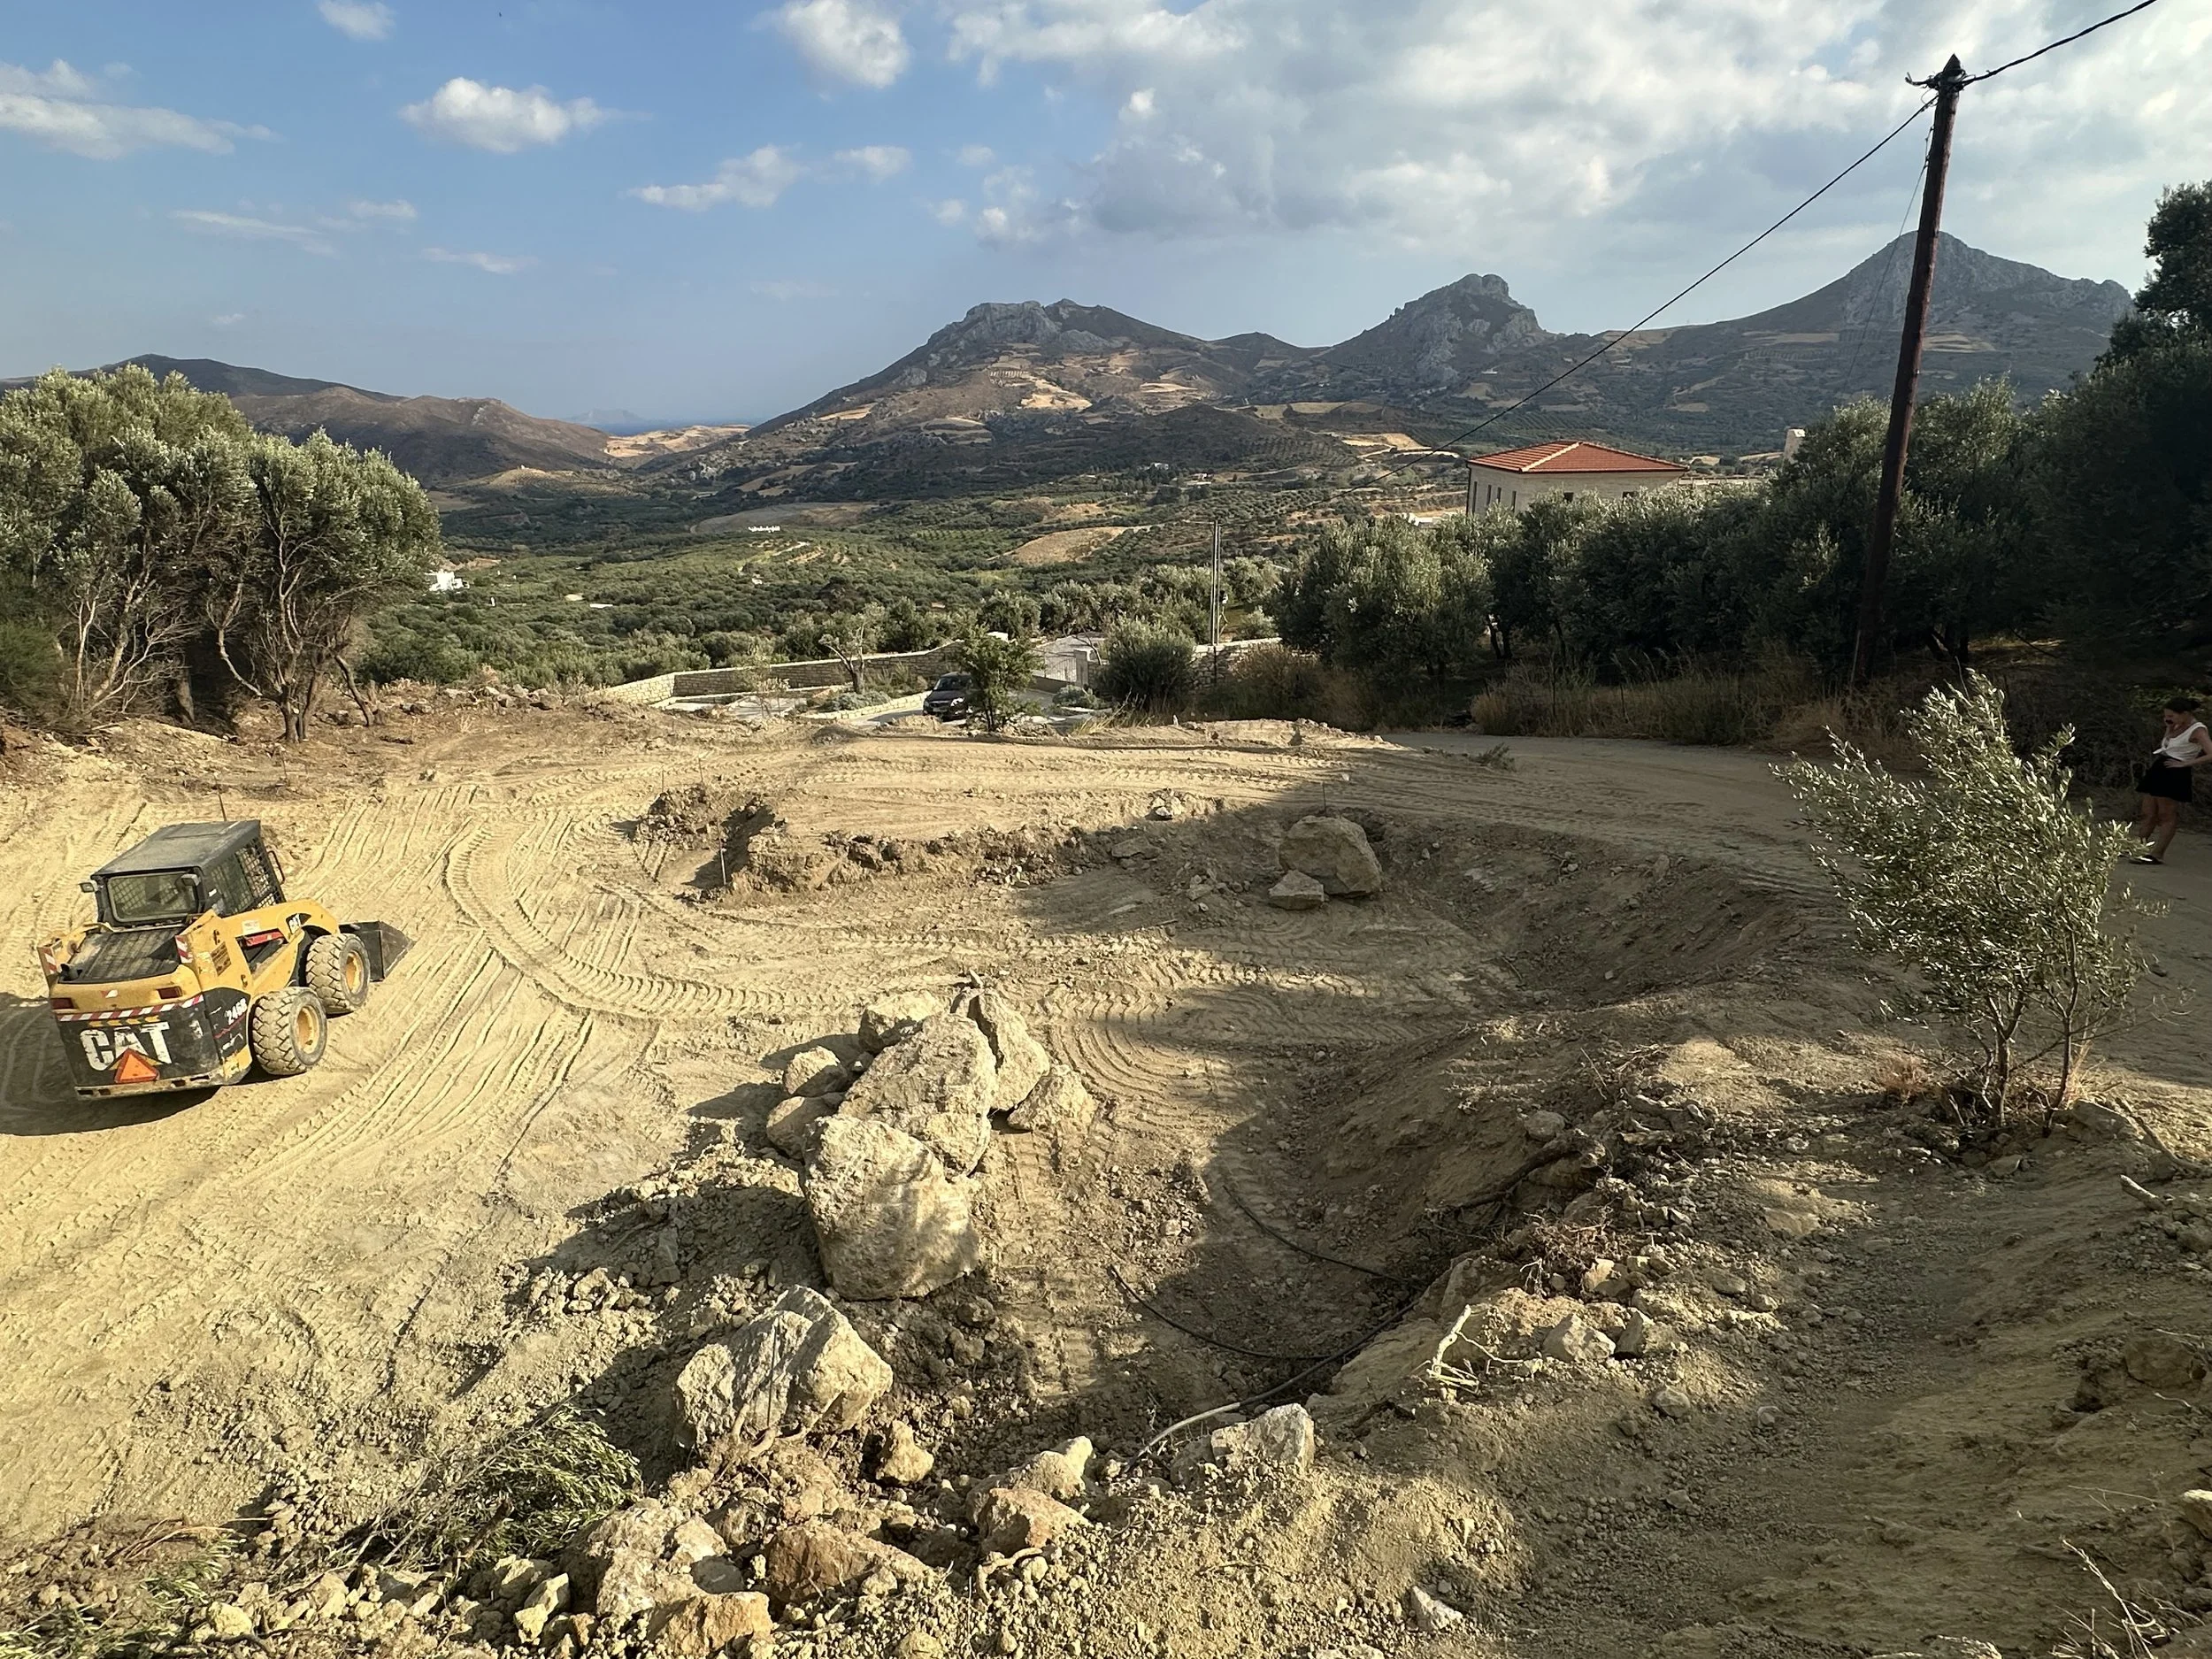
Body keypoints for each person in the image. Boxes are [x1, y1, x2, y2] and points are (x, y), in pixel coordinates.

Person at [2132, 695, 2212, 864]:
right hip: (2161, 766)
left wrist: (2186, 764)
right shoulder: (2177, 726)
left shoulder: (2198, 730)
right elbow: (2167, 745)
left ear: (2184, 714)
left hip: (2174, 771)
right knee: (2148, 812)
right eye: (2166, 716)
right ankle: (2137, 847)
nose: (2168, 719)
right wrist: (2169, 728)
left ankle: (2157, 854)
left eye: (2171, 716)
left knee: (2166, 814)